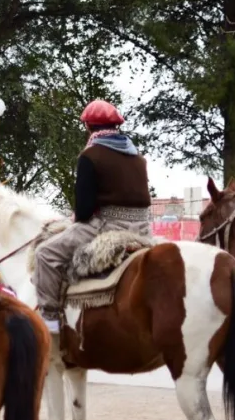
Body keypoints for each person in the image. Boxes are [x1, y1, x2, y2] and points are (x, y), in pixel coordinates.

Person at [32, 99, 152, 335]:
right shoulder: (138, 157)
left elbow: (84, 211)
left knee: (44, 253)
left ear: (88, 126)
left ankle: (50, 319)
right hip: (143, 228)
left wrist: (73, 219)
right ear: (117, 126)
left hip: (108, 226)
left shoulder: (91, 155)